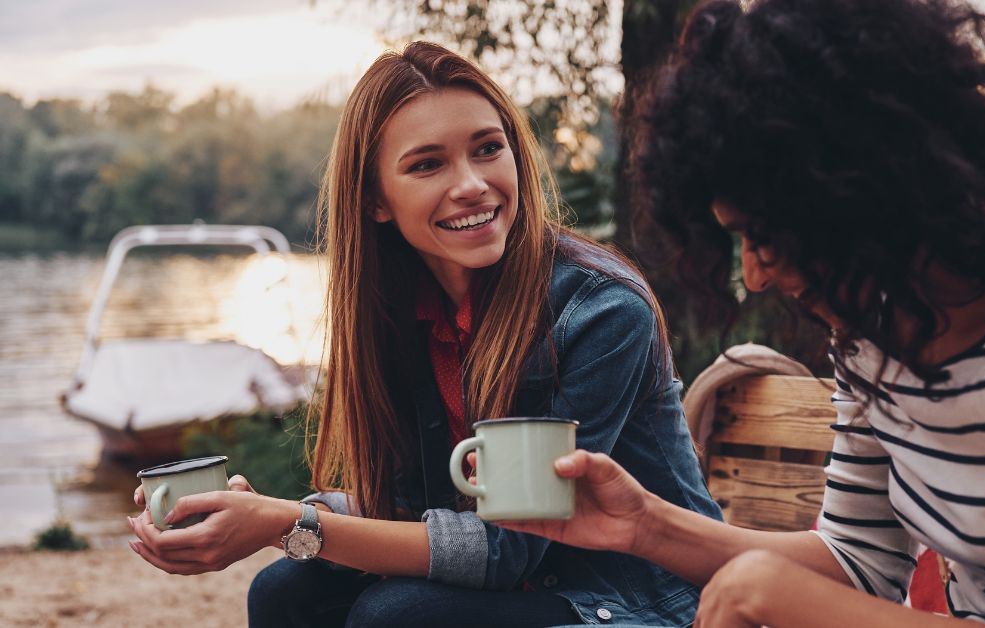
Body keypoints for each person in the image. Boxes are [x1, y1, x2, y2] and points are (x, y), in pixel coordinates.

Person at [499, 0, 985, 626]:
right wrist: (645, 525)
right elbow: (858, 560)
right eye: (738, 241)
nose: (754, 274)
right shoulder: (878, 336)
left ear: (866, 195)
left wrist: (768, 591)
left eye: (766, 237)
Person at [125, 41, 721, 628]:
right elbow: (410, 513)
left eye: (488, 149)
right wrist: (258, 513)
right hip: (530, 585)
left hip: (643, 599)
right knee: (285, 592)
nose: (471, 184)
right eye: (427, 164)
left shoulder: (601, 310)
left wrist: (285, 523)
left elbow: (507, 548)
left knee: (401, 616)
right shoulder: (403, 311)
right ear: (375, 200)